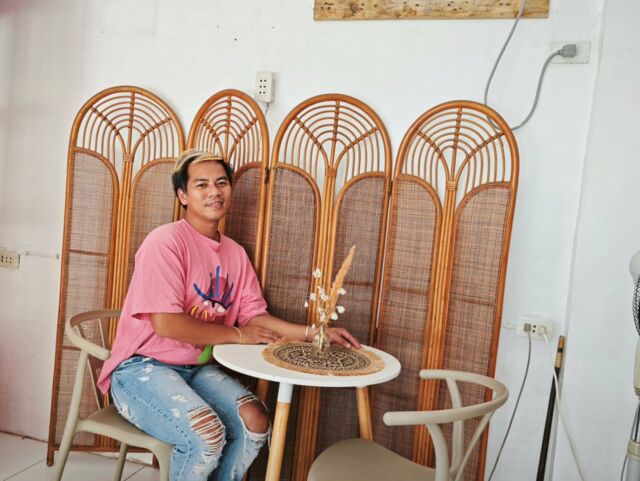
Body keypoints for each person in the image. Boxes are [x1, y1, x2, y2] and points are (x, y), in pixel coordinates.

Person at [96, 149, 360, 481]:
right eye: (201, 184)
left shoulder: (236, 254)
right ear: (183, 195)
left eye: (221, 183)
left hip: (196, 369)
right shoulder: (165, 242)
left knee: (255, 420)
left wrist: (315, 333)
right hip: (141, 368)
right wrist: (237, 335)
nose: (214, 191)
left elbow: (254, 317)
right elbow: (166, 322)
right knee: (207, 434)